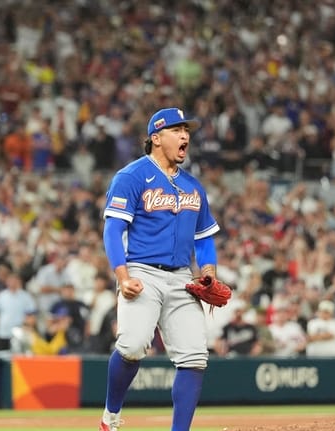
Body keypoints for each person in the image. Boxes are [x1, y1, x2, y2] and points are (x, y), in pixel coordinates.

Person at [98, 107, 220, 431]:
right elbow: (112, 230)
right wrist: (122, 276)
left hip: (182, 277)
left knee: (195, 358)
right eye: (177, 130)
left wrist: (208, 270)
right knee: (133, 345)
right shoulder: (131, 176)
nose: (185, 136)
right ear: (156, 138)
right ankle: (110, 417)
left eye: (186, 130)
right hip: (142, 271)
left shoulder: (193, 186)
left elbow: (204, 238)